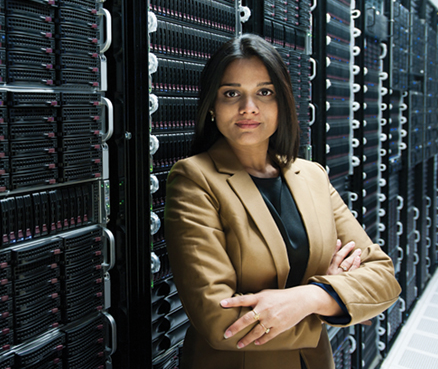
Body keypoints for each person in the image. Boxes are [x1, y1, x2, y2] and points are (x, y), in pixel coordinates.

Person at [164, 34, 401, 369]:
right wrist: (339, 300)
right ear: (212, 107)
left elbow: (383, 278)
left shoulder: (312, 175)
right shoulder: (194, 179)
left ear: (282, 104)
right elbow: (221, 322)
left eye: (265, 92)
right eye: (232, 93)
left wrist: (312, 296)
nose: (249, 107)